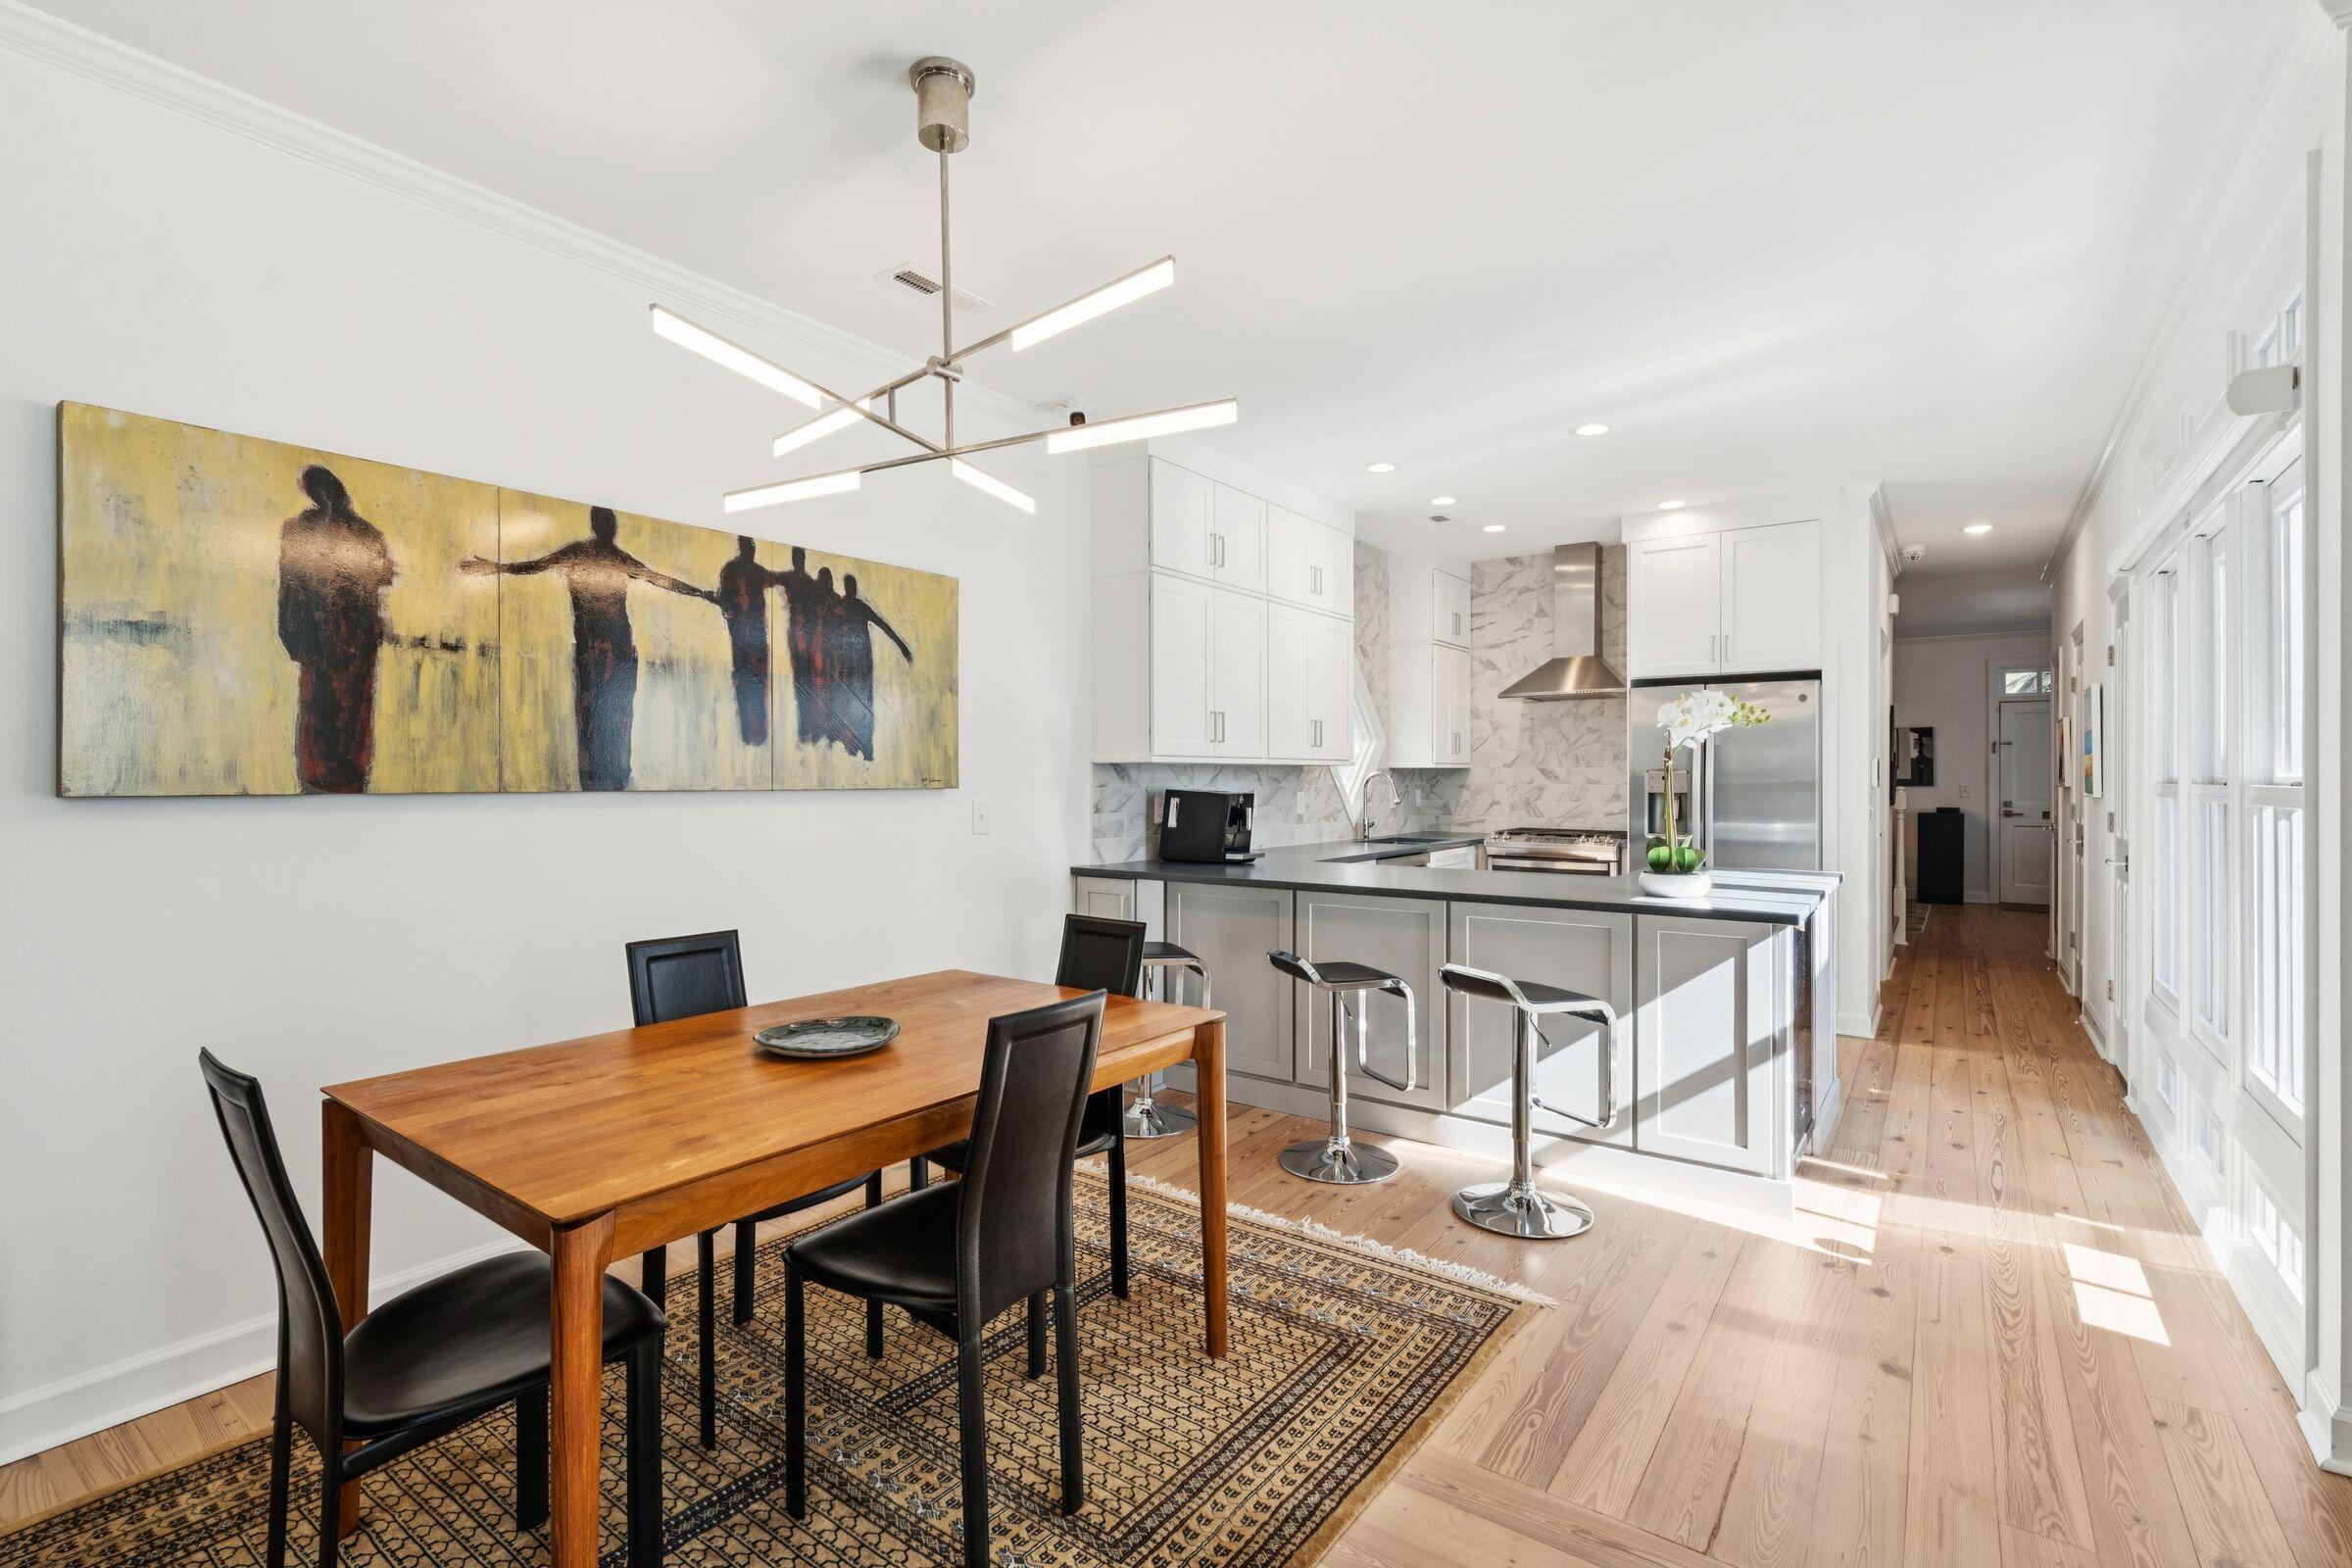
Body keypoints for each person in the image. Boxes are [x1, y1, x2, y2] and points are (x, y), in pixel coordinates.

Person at [463, 507, 713, 790]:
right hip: (597, 650)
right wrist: (498, 568)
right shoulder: (587, 554)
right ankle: (599, 779)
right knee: (595, 711)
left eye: (610, 523)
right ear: (599, 526)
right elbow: (535, 565)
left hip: (617, 651)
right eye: (607, 522)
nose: (610, 528)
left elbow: (662, 580)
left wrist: (702, 593)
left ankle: (612, 777)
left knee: (613, 712)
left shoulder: (608, 557)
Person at [276, 465, 394, 793]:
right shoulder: (367, 533)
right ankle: (345, 780)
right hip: (352, 639)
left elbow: (289, 589)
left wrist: (292, 636)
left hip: (324, 639)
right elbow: (383, 578)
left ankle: (322, 779)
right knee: (348, 711)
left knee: (323, 708)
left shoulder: (298, 530)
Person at [828, 571, 912, 760]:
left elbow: (884, 626)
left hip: (861, 664)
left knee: (861, 702)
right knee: (853, 703)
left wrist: (903, 647)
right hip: (850, 665)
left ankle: (863, 748)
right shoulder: (844, 608)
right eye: (850, 587)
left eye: (853, 587)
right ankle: (856, 748)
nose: (852, 590)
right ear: (848, 588)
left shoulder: (856, 607)